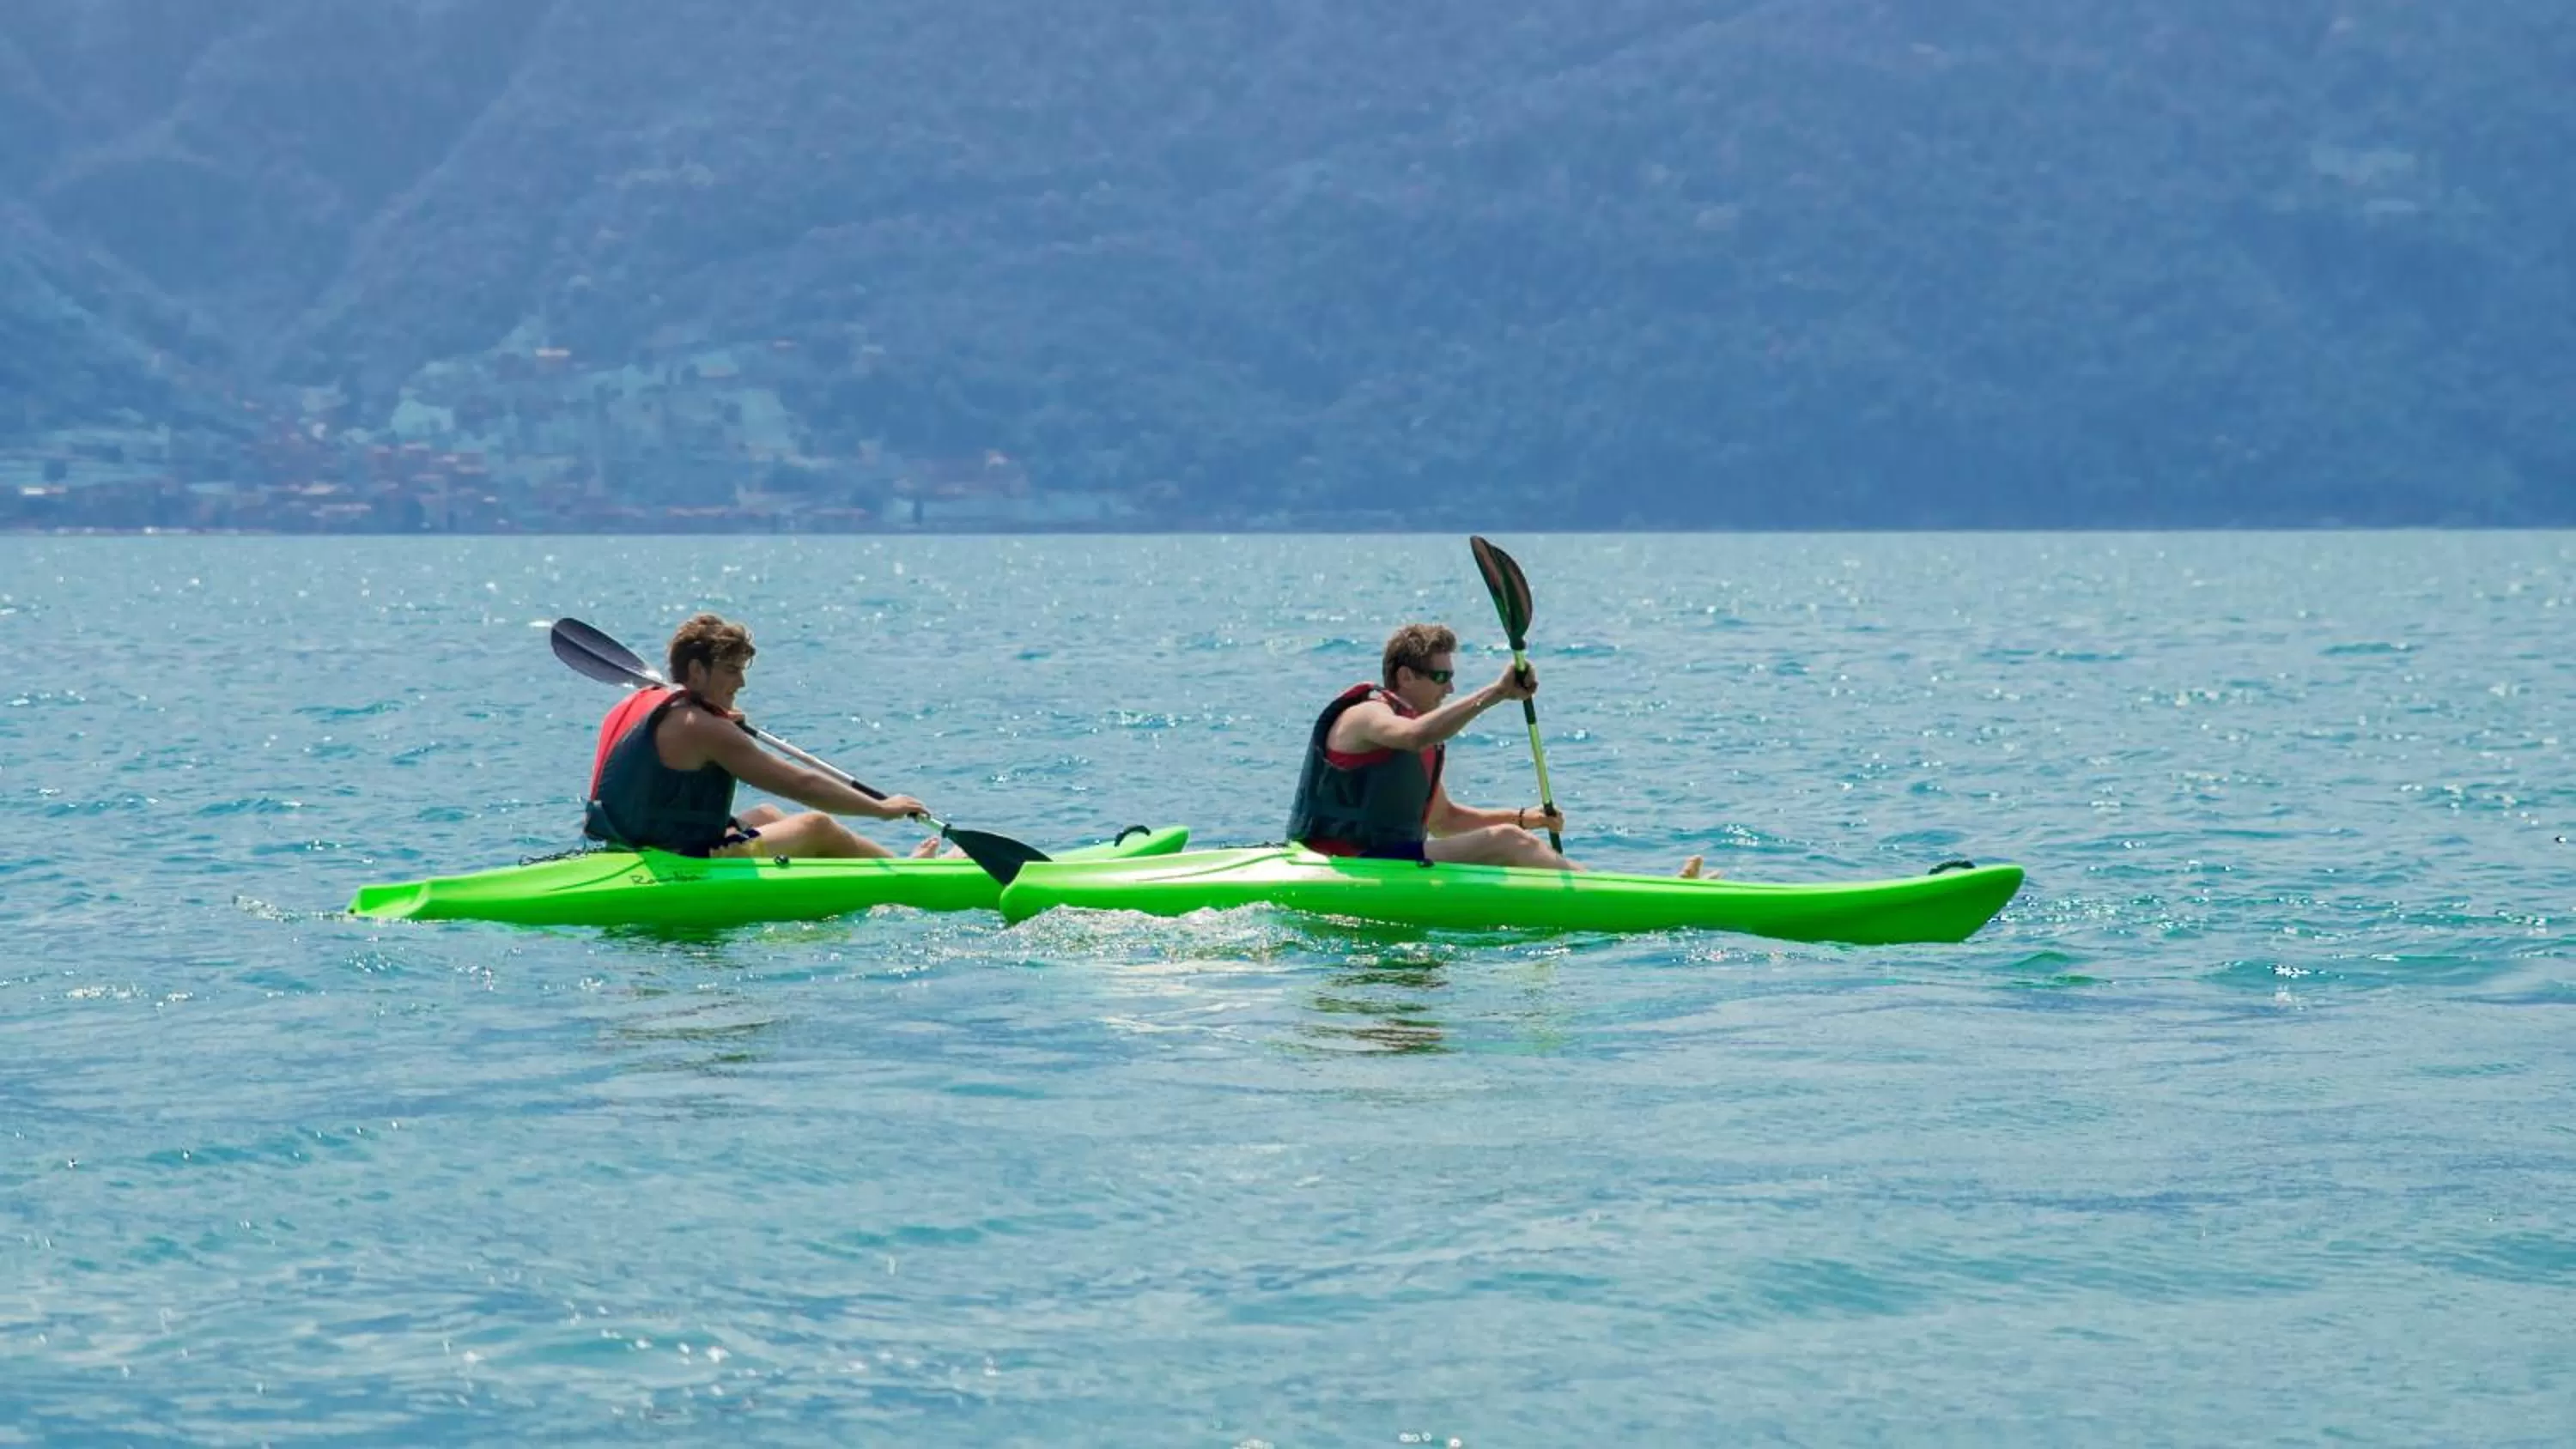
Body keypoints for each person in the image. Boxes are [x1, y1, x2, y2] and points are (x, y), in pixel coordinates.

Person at [1287, 622, 1703, 876]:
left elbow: (1445, 821)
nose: (1450, 687)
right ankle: (1618, 899)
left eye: (1452, 676)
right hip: (1349, 862)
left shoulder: (1415, 730)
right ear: (1406, 676)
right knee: (1507, 843)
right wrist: (1498, 692)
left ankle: (1618, 887)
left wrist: (1526, 819)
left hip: (1389, 858)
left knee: (1513, 838)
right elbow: (1414, 738)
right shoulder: (1368, 716)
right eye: (1441, 676)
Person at [583, 613, 940, 859]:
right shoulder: (704, 728)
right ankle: (909, 876)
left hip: (630, 840)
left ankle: (894, 864)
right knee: (817, 824)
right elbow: (804, 787)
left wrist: (719, 723)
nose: (741, 683)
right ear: (696, 670)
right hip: (678, 855)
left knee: (768, 814)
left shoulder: (649, 705)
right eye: (730, 670)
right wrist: (882, 809)